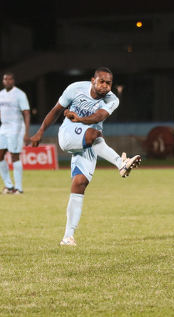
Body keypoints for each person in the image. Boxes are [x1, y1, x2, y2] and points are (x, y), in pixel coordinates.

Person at [30, 67, 142, 246]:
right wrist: (40, 132)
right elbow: (56, 110)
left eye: (109, 83)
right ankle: (120, 163)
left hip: (88, 141)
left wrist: (80, 119)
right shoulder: (75, 88)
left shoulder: (113, 99)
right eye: (101, 82)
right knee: (95, 134)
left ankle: (68, 237)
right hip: (69, 135)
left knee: (80, 183)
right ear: (93, 80)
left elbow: (100, 116)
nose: (105, 86)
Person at [0, 72, 31, 194]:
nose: (7, 81)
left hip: (16, 128)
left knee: (14, 156)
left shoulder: (20, 94)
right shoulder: (1, 94)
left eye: (10, 79)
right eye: (5, 79)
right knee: (0, 156)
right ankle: (9, 186)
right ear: (3, 81)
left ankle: (19, 188)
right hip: (4, 128)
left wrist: (27, 133)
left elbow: (27, 113)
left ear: (13, 81)